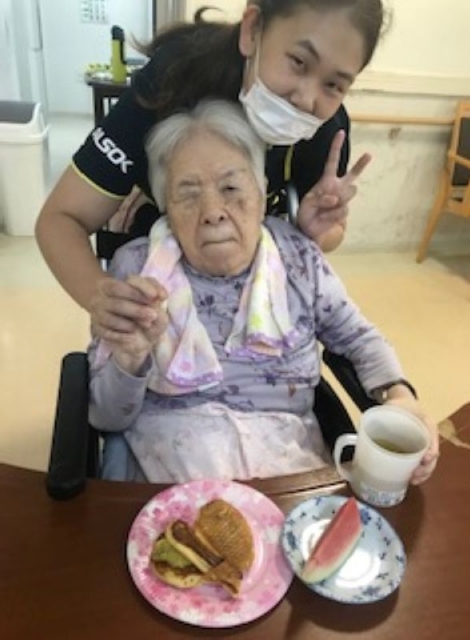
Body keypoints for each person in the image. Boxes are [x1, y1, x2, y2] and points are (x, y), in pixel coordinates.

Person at [88, 99, 439, 485]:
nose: (213, 211)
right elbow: (105, 416)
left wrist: (400, 396)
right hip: (168, 480)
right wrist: (130, 359)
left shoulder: (298, 258)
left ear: (261, 192)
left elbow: (359, 339)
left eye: (231, 187)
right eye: (188, 193)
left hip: (285, 473)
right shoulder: (137, 271)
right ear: (166, 208)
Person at [36, 0, 386, 343]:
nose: (306, 100)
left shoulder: (326, 130)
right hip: (159, 300)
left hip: (257, 304)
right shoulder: (173, 79)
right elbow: (60, 219)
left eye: (334, 85)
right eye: (298, 62)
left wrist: (310, 231)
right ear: (252, 30)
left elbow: (331, 233)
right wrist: (101, 296)